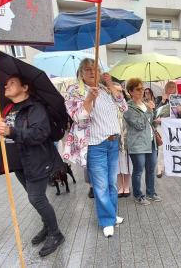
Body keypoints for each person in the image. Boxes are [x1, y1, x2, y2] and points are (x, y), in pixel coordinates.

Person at [0, 74, 64, 256]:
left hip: (37, 160)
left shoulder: (35, 107)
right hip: (17, 161)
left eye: (12, 83)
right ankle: (47, 226)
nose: (6, 85)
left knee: (36, 198)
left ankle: (56, 233)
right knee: (35, 197)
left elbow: (39, 134)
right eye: (6, 83)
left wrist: (10, 131)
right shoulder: (5, 108)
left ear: (24, 87)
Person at [63, 58, 127, 237]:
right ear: (81, 73)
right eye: (87, 70)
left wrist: (110, 84)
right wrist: (89, 99)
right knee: (100, 185)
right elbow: (79, 118)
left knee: (112, 183)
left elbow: (123, 107)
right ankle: (106, 220)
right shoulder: (74, 91)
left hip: (113, 142)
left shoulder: (107, 88)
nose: (92, 72)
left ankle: (112, 215)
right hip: (94, 145)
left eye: (95, 69)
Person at [124, 78, 161, 206]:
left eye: (142, 88)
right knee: (139, 170)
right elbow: (139, 125)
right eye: (138, 89)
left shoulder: (146, 104)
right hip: (138, 143)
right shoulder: (128, 107)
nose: (141, 91)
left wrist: (155, 118)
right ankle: (138, 195)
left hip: (151, 142)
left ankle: (151, 192)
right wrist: (149, 112)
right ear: (130, 91)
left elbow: (150, 123)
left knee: (151, 169)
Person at [114, 84, 132, 198]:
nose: (118, 93)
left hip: (127, 139)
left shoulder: (127, 105)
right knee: (117, 165)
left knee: (127, 164)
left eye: (121, 91)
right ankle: (120, 186)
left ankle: (127, 186)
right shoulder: (110, 104)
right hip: (114, 139)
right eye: (116, 91)